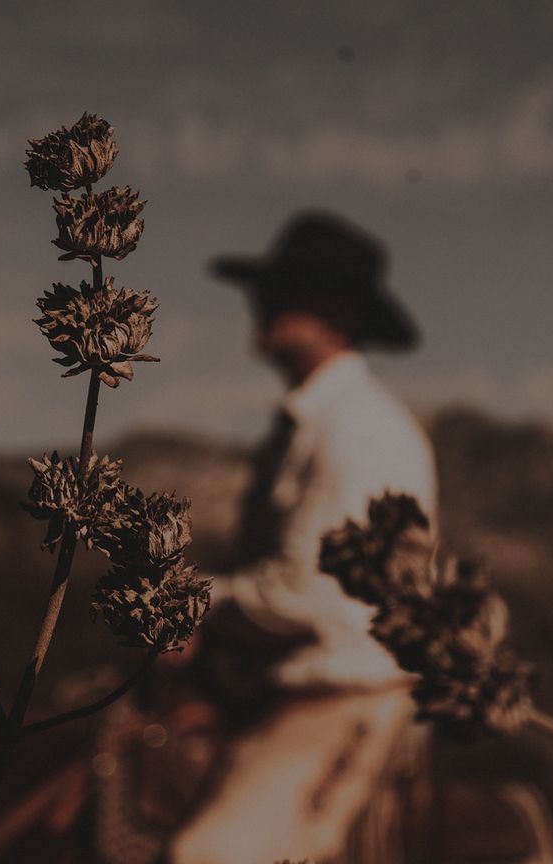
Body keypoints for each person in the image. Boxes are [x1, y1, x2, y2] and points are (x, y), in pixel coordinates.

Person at [169, 210, 438, 864]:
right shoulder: (312, 425)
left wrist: (192, 606)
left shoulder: (359, 429)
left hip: (346, 698)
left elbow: (308, 593)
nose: (262, 307)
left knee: (207, 858)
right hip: (285, 697)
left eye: (286, 294)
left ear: (336, 312)